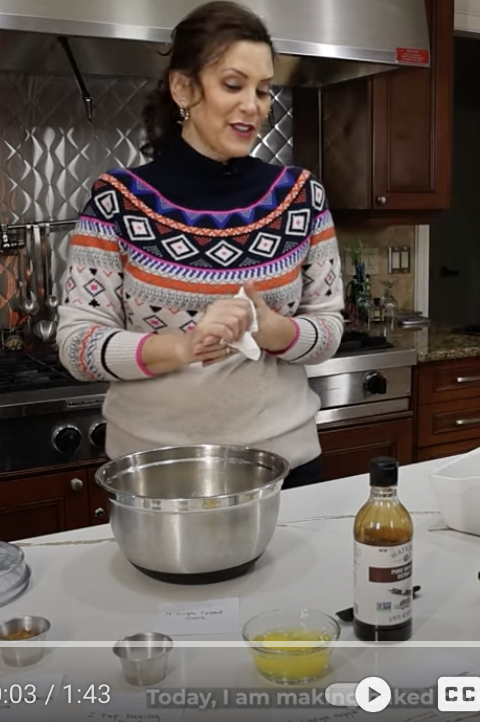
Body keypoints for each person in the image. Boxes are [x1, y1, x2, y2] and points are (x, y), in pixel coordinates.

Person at [56, 1, 344, 489]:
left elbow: (329, 328)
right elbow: (78, 345)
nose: (253, 105)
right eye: (233, 85)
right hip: (158, 471)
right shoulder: (117, 201)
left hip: (285, 466)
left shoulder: (301, 197)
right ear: (183, 88)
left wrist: (271, 328)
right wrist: (186, 346)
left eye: (263, 90)